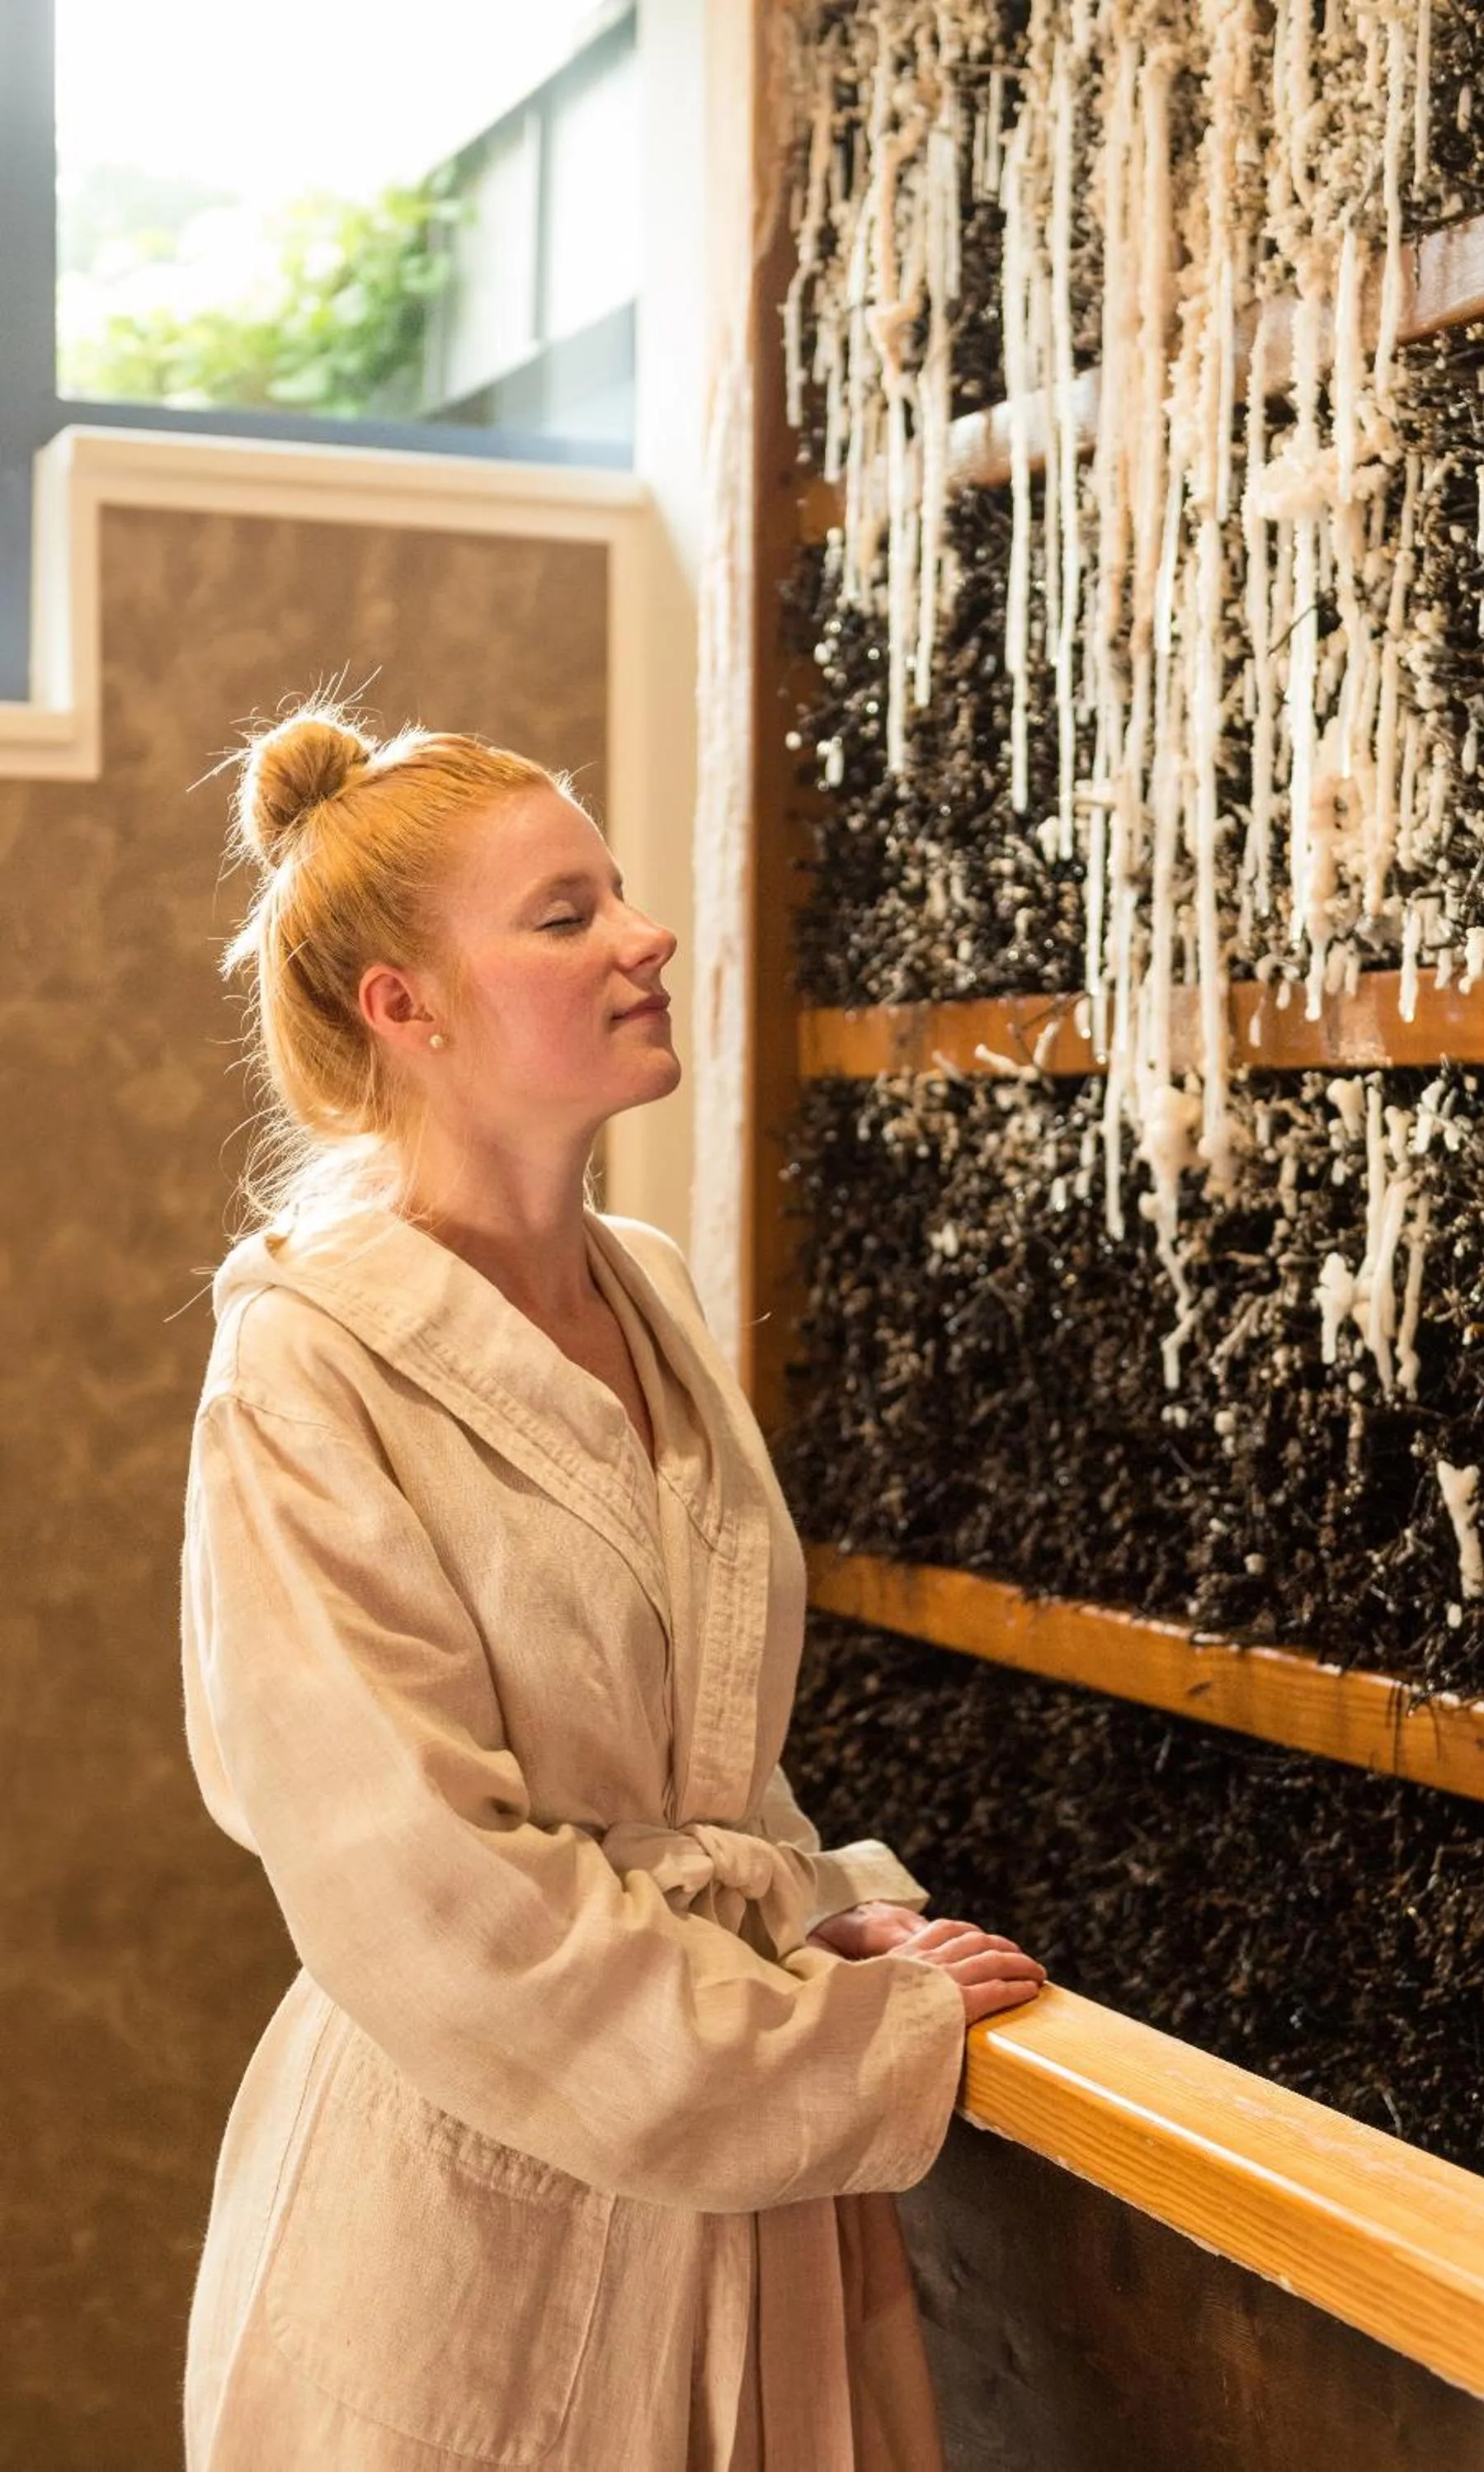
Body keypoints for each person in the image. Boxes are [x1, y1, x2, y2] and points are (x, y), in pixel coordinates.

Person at [179, 703, 1048, 2471]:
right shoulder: (307, 1366)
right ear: (402, 1008)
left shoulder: (645, 1284)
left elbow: (692, 1739)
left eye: (622, 894)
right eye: (566, 914)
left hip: (752, 2207)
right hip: (469, 2223)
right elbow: (426, 1895)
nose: (646, 935)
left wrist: (814, 1912)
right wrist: (848, 2051)